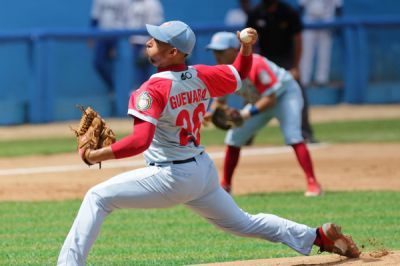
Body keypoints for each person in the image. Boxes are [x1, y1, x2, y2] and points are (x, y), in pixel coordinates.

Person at [57, 21, 359, 265]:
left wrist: (95, 154)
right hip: (201, 173)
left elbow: (140, 142)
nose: (150, 40)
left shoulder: (151, 89)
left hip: (170, 176)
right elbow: (240, 72)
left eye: (157, 39)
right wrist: (245, 47)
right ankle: (317, 236)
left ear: (173, 51)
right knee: (245, 223)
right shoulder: (201, 75)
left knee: (97, 197)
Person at [205, 31, 322, 196]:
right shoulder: (224, 71)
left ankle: (313, 183)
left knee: (293, 135)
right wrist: (210, 112)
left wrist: (244, 115)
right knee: (234, 138)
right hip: (259, 101)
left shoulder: (255, 63)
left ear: (234, 50)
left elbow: (271, 99)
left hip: (285, 96)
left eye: (221, 51)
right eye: (214, 51)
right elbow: (220, 101)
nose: (217, 55)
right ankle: (226, 185)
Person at [246, 0, 317, 143]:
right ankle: (245, 135)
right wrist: (250, 66)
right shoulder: (255, 13)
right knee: (250, 93)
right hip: (264, 60)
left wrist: (296, 66)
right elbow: (249, 42)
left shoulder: (289, 12)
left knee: (298, 92)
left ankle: (305, 133)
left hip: (286, 60)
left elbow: (297, 40)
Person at [299, 0, 343, 87]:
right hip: (310, 20)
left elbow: (339, 7)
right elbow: (301, 6)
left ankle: (322, 79)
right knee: (306, 52)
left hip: (327, 20)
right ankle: (304, 79)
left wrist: (338, 25)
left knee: (324, 52)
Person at [90, 0, 130, 93]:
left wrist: (117, 44)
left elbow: (127, 21)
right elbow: (95, 17)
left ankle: (118, 93)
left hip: (117, 36)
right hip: (102, 35)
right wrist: (91, 36)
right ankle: (113, 87)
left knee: (116, 66)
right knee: (98, 64)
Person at [126, 0, 164, 86]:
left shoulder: (153, 3)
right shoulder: (133, 3)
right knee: (138, 72)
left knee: (145, 73)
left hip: (146, 42)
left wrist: (150, 45)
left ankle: (148, 95)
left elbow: (155, 26)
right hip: (135, 42)